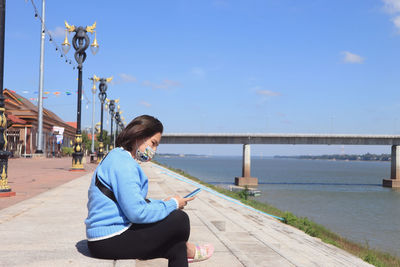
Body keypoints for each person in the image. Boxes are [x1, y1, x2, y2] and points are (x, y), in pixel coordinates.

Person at [85, 115, 213, 267]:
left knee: (177, 248)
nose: (154, 150)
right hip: (108, 239)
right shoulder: (124, 164)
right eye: (153, 143)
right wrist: (172, 204)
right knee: (180, 220)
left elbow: (132, 201)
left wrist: (163, 203)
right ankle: (187, 248)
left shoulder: (118, 157)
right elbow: (137, 212)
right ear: (139, 135)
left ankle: (184, 249)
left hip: (105, 237)